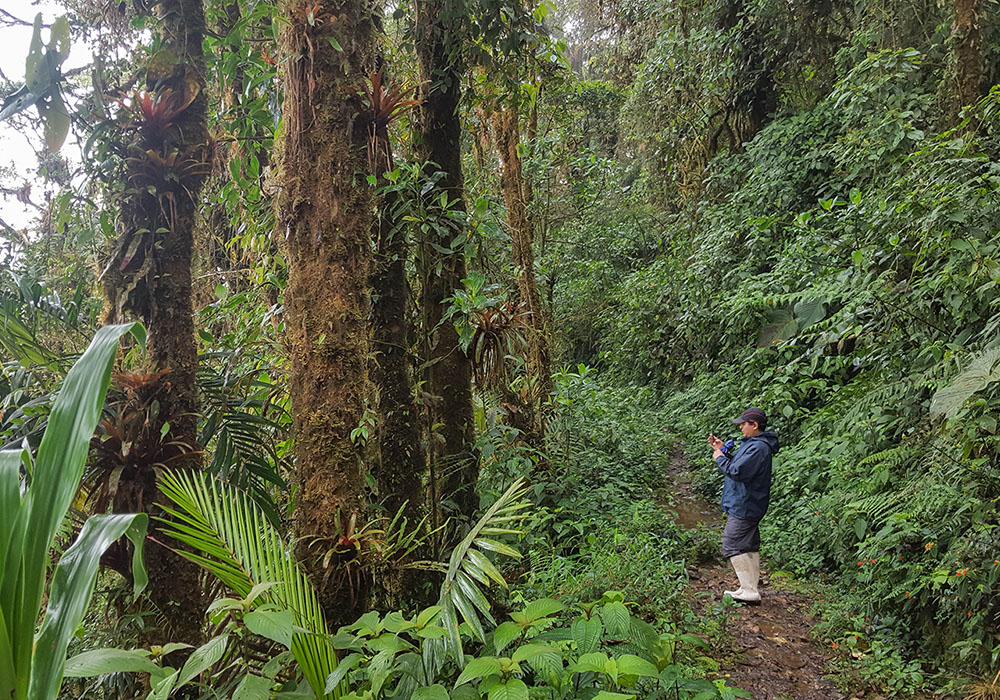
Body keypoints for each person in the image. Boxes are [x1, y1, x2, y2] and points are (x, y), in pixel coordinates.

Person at [708, 407, 779, 605]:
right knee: (748, 544)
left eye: (743, 424)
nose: (740, 427)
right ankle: (750, 588)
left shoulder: (758, 448)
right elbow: (740, 468)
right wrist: (722, 451)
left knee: (731, 543)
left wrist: (719, 458)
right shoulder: (753, 444)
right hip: (748, 502)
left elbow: (737, 472)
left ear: (754, 425)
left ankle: (749, 591)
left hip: (745, 504)